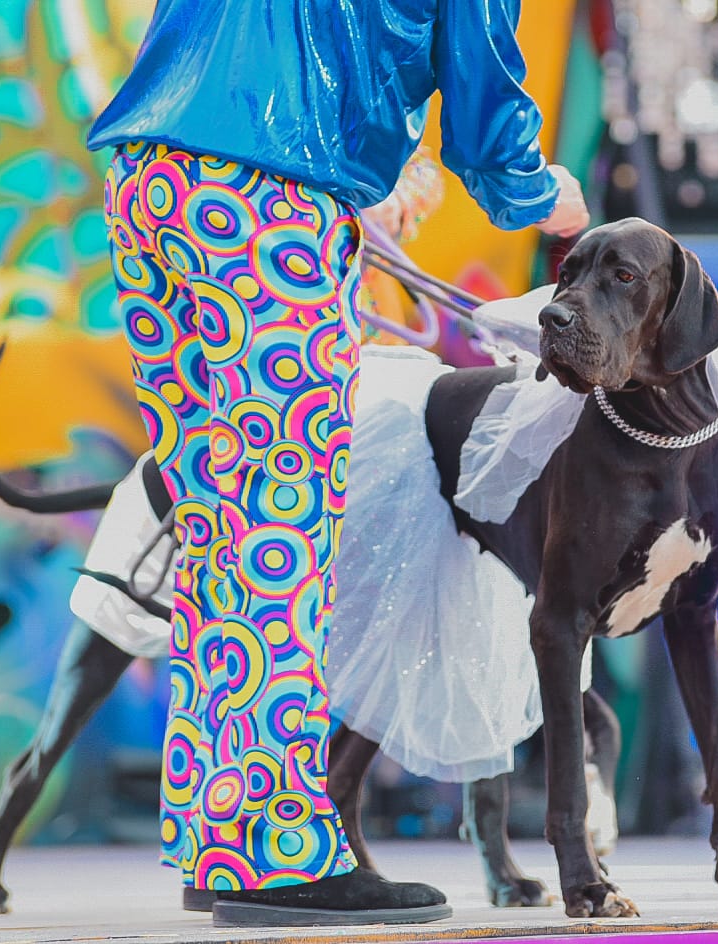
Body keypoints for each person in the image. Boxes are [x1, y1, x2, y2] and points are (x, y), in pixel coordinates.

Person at [84, 0, 590, 926]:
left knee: (218, 523)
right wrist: (540, 192)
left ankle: (224, 839)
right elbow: (481, 98)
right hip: (269, 199)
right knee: (282, 531)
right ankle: (281, 852)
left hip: (150, 178)